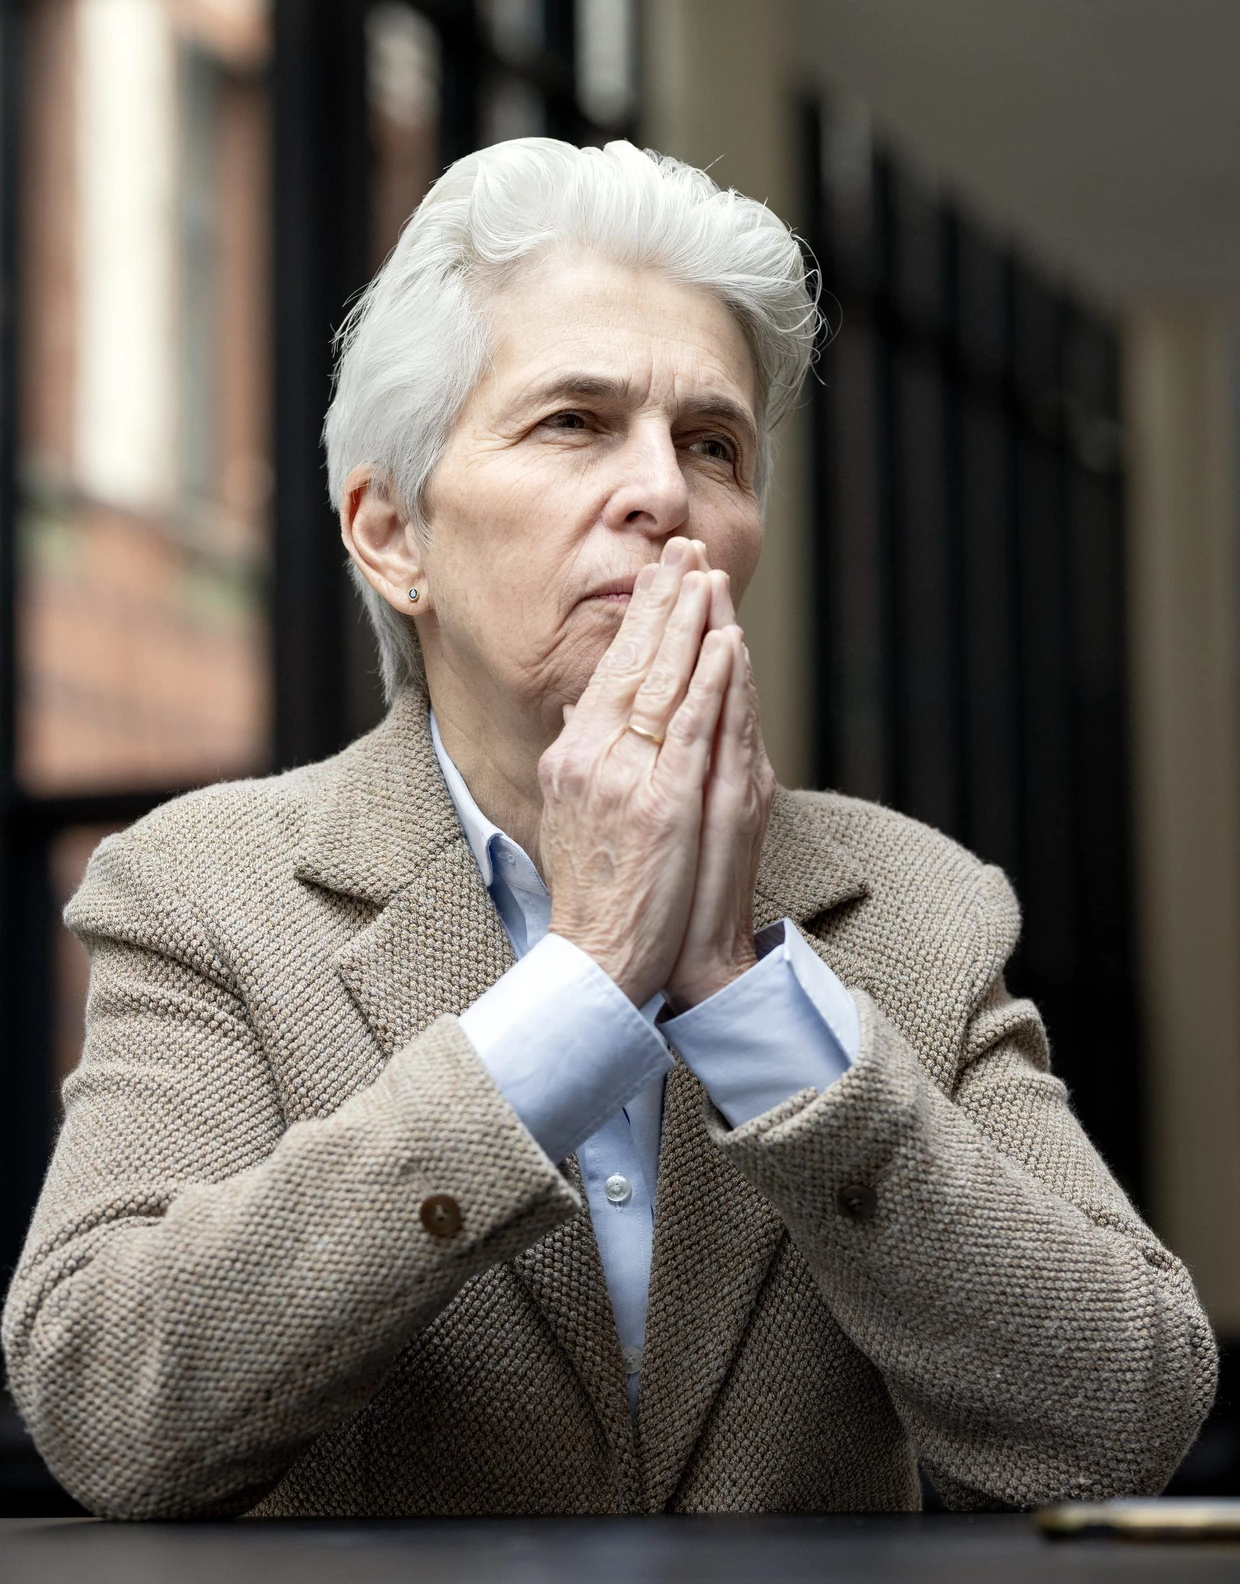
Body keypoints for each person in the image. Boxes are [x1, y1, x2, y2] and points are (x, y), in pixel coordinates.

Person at [3, 140, 1214, 1520]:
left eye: (714, 445)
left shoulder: (916, 905)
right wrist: (576, 993)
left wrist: (754, 1004)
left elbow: (1128, 1415)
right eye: (574, 422)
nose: (665, 493)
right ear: (391, 533)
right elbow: (105, 1401)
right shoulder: (204, 892)